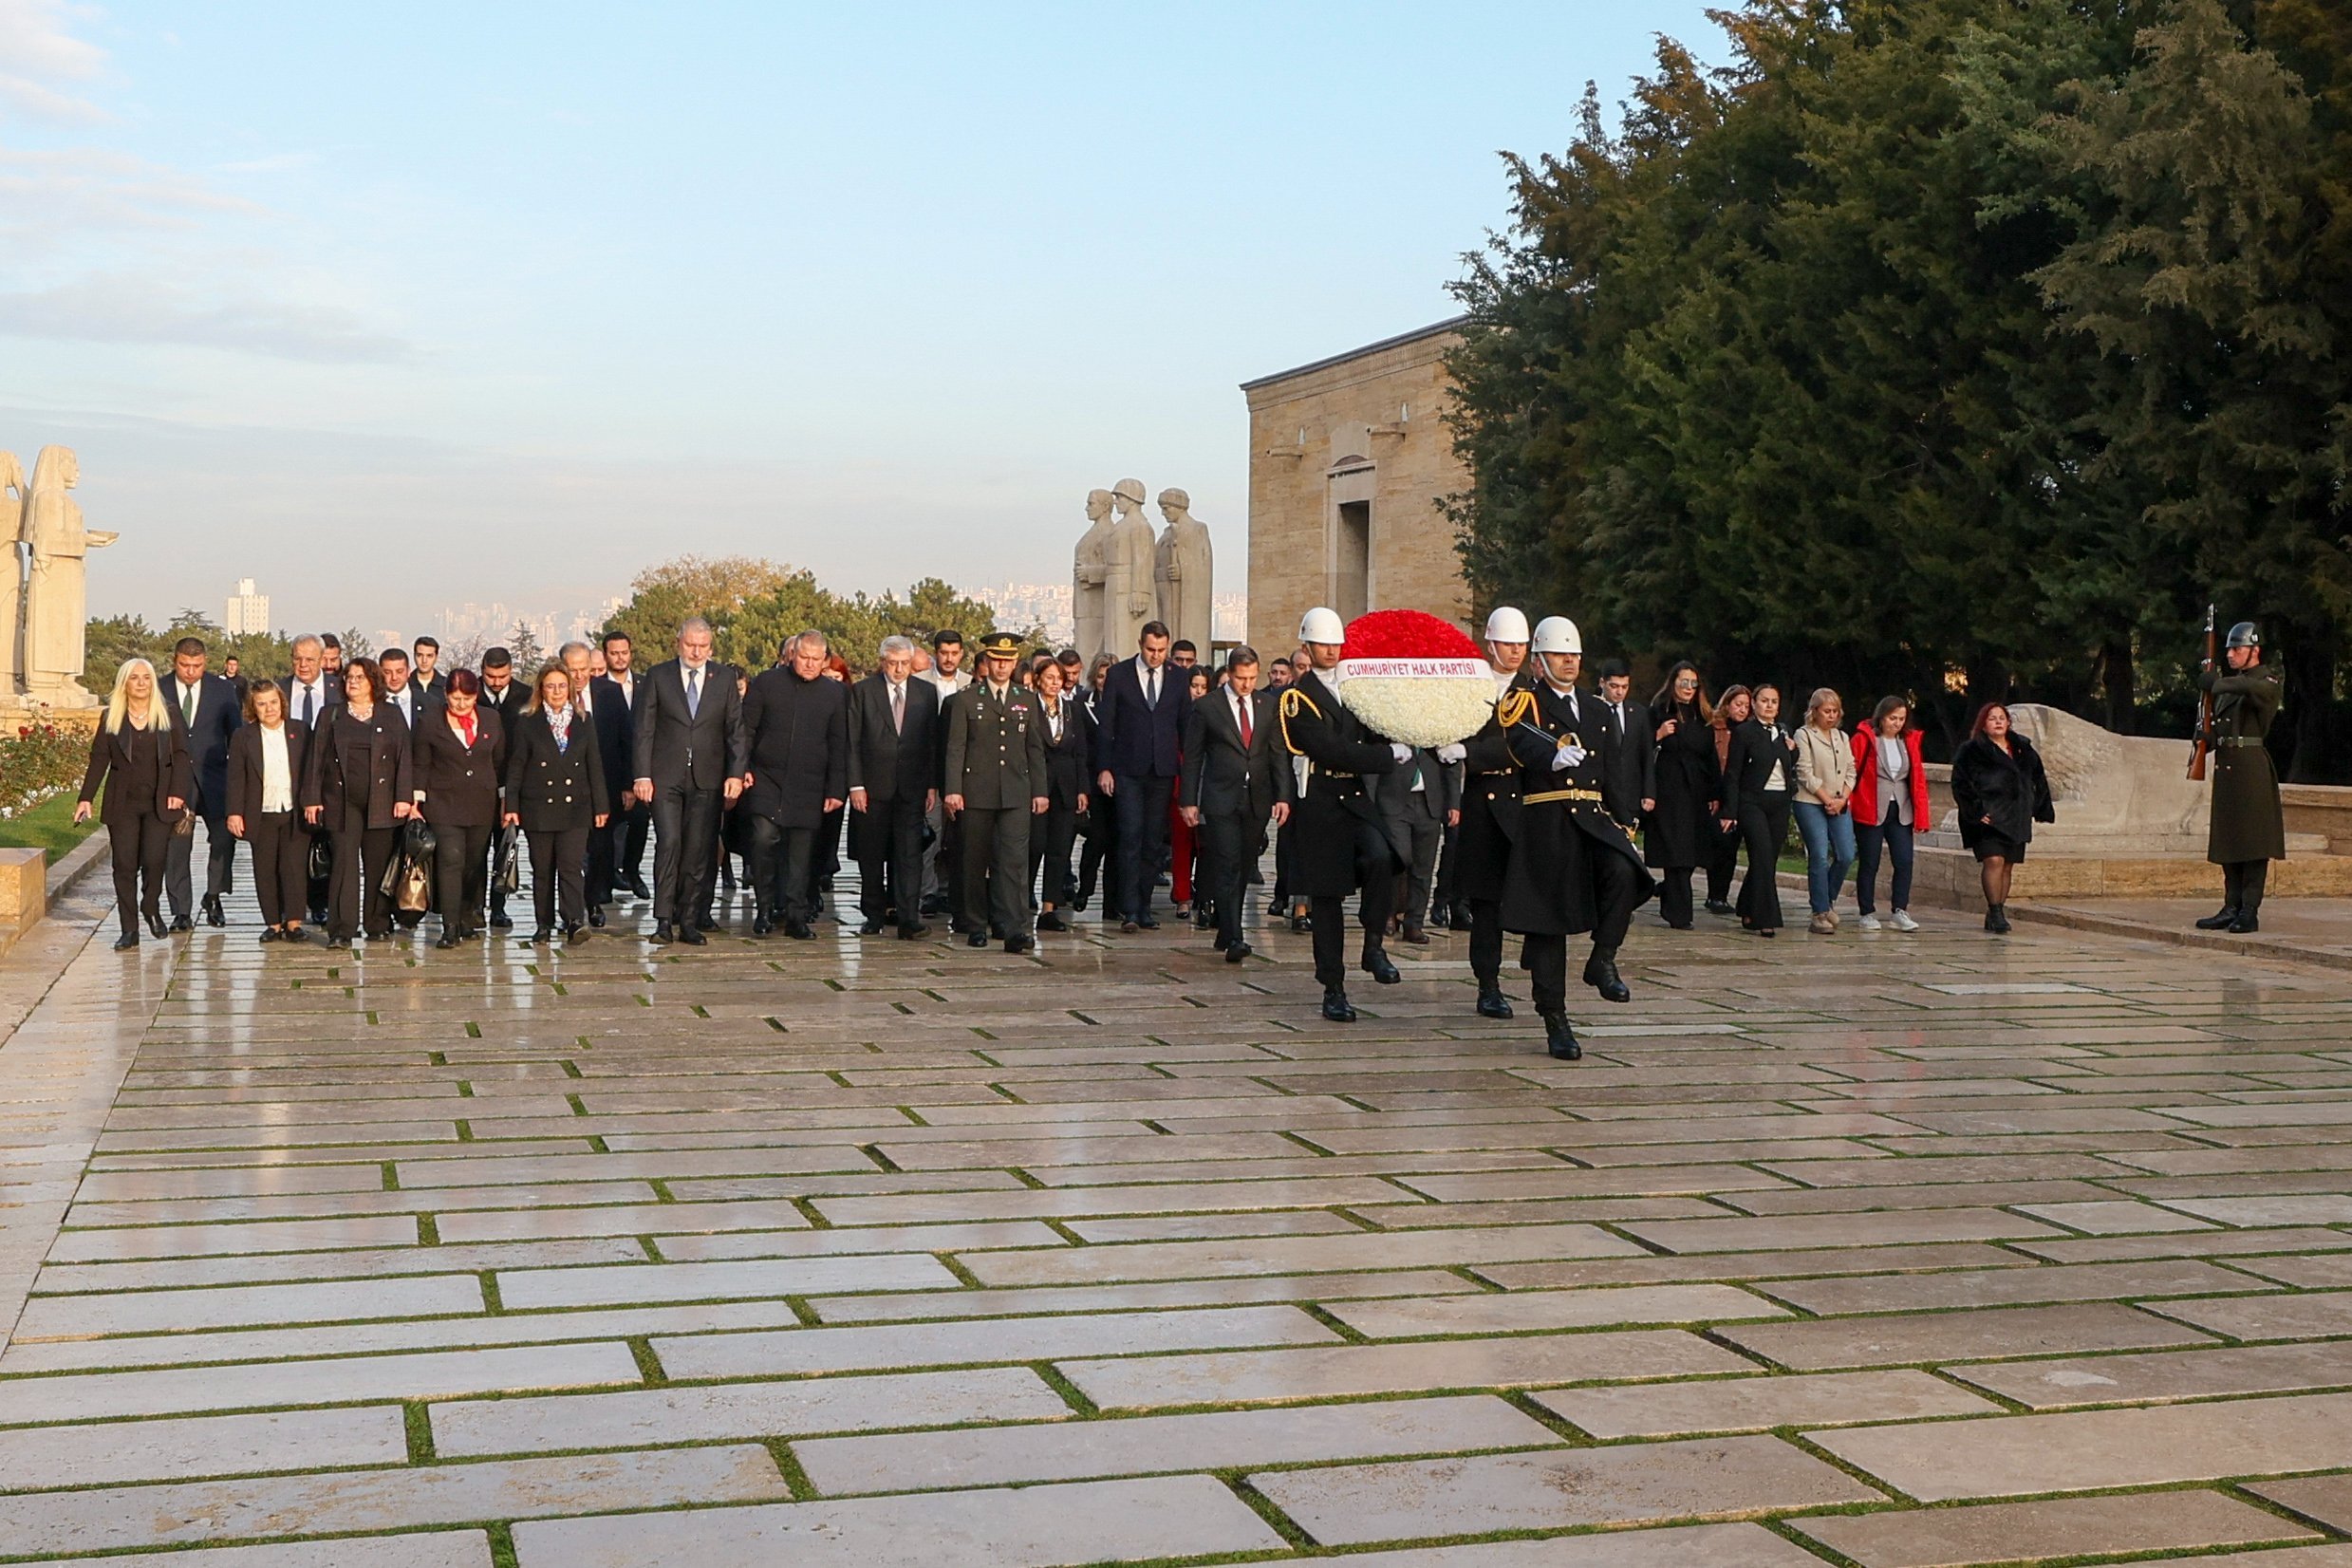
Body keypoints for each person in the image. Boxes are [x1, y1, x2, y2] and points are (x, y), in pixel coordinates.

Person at [1499, 616, 1653, 1059]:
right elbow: (1518, 742)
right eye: (1559, 655)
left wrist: (1627, 824)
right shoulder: (1524, 701)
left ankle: (1603, 958)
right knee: (1549, 924)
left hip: (1594, 816)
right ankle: (1555, 1018)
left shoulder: (1599, 708)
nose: (1569, 662)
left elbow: (1614, 773)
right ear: (1539, 661)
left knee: (1626, 872)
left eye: (1574, 656)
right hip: (1548, 819)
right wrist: (1551, 754)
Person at [1279, 607, 1409, 1022]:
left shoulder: (1354, 690)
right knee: (1328, 897)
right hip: (1320, 798)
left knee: (1382, 858)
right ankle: (1332, 986)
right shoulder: (1297, 698)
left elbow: (1375, 726)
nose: (1332, 651)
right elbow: (1331, 750)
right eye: (1323, 644)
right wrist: (1386, 756)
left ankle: (1373, 946)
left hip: (1353, 796)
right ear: (1307, 647)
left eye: (1336, 644)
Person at [631, 618, 746, 945]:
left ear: (711, 647)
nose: (696, 651)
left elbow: (735, 731)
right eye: (690, 645)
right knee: (669, 844)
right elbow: (644, 729)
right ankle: (664, 920)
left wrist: (735, 774)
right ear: (678, 643)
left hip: (707, 778)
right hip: (665, 777)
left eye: (703, 646)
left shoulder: (723, 678)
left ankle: (690, 919)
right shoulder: (658, 676)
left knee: (699, 850)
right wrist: (642, 774)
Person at [1445, 607, 1534, 1014]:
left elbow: (1523, 745)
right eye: (1508, 644)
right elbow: (1441, 726)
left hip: (1522, 805)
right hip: (1482, 806)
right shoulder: (1469, 686)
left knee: (1533, 894)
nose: (1515, 652)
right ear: (1491, 645)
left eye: (1521, 645)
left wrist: (1470, 752)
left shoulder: (1534, 692)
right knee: (1485, 905)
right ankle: (1488, 983)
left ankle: (1538, 969)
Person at [943, 631, 1050, 953]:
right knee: (974, 861)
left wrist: (1040, 791)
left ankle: (1016, 927)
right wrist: (953, 789)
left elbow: (1035, 748)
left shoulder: (1026, 698)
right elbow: (956, 748)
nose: (1002, 667)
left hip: (1016, 792)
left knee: (1015, 863)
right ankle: (976, 924)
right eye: (997, 661)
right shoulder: (967, 698)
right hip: (977, 792)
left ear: (1015, 662)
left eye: (1008, 661)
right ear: (987, 662)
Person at [1181, 645, 1289, 962]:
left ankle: (1226, 929)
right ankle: (1235, 937)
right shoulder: (1208, 707)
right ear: (1229, 674)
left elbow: (1277, 753)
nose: (1247, 684)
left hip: (1256, 797)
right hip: (1220, 797)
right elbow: (1193, 757)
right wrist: (1189, 800)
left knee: (1243, 865)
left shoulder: (1267, 705)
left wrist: (1283, 795)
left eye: (1253, 678)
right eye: (1242, 678)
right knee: (1226, 863)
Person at [74, 658, 192, 950]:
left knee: (154, 861)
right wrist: (85, 797)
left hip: (159, 801)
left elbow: (181, 757)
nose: (141, 683)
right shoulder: (111, 717)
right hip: (122, 802)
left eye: (146, 677)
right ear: (124, 683)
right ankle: (129, 930)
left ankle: (150, 906)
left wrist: (178, 791)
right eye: (134, 678)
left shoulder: (168, 714)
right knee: (124, 866)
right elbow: (99, 758)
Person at [740, 630, 849, 939]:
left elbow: (840, 744)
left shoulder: (835, 694)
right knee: (763, 840)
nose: (809, 665)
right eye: (804, 658)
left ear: (825, 660)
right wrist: (742, 768)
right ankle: (763, 909)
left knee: (801, 854)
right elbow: (746, 729)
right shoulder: (766, 683)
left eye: (816, 660)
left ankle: (796, 916)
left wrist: (836, 789)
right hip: (766, 778)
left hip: (809, 784)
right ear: (792, 655)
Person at [299, 657, 413, 948]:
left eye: (359, 678)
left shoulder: (390, 714)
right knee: (344, 865)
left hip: (382, 801)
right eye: (349, 677)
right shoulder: (331, 715)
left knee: (378, 865)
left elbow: (404, 757)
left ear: (373, 681)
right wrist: (312, 799)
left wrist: (404, 797)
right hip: (340, 801)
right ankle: (341, 930)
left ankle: (378, 923)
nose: (352, 682)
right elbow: (316, 759)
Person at [505, 663, 610, 945]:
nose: (556, 692)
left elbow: (595, 765)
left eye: (562, 686)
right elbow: (516, 767)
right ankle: (543, 923)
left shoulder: (583, 720)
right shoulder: (528, 721)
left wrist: (601, 806)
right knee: (542, 868)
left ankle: (574, 920)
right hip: (538, 806)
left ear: (570, 688)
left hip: (576, 806)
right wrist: (511, 805)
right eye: (550, 686)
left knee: (571, 865)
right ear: (541, 689)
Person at [1093, 620, 1188, 930]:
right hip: (1127, 769)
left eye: (1161, 650)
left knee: (1152, 840)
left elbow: (1184, 726)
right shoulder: (1119, 675)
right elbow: (1106, 726)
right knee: (1130, 835)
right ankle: (1129, 908)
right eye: (1151, 649)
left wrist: (1188, 771)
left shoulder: (1178, 678)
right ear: (1140, 644)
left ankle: (1145, 907)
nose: (1156, 655)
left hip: (1162, 771)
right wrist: (1104, 768)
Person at [847, 635, 940, 940]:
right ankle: (873, 915)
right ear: (882, 662)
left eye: (904, 664)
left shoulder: (926, 693)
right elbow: (853, 742)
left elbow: (931, 744)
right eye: (892, 663)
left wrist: (931, 785)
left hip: (911, 788)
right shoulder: (863, 691)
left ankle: (908, 918)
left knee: (909, 855)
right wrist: (856, 785)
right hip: (872, 788)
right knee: (872, 855)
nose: (898, 669)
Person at [2196, 621, 2286, 934]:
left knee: (2253, 842)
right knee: (2229, 840)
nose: (2231, 654)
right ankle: (2231, 905)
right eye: (2229, 650)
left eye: (2237, 649)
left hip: (2251, 768)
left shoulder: (2266, 679)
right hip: (2228, 767)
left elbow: (2255, 690)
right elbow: (2222, 723)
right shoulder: (2231, 684)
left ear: (2254, 651)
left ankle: (2249, 909)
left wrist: (2217, 682)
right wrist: (2207, 737)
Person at [412, 669, 506, 949]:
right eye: (455, 698)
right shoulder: (430, 722)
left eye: (466, 698)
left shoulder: (491, 719)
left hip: (481, 805)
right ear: (446, 696)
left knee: (474, 864)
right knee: (451, 860)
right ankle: (449, 926)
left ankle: (468, 918)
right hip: (444, 804)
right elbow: (421, 764)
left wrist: (506, 802)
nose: (461, 704)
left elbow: (499, 763)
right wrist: (416, 802)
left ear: (475, 696)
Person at [1951, 700, 2055, 933]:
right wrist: (1976, 811)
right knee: (1994, 860)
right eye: (1992, 718)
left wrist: (2039, 808)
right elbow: (1960, 783)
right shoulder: (1971, 750)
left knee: (2007, 865)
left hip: (2016, 816)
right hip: (1988, 818)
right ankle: (1996, 910)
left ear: (2008, 723)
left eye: (2001, 718)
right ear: (1983, 724)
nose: (1997, 722)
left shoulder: (2023, 749)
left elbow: (2038, 779)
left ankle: (1996, 910)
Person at [162, 635, 243, 929]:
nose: (190, 671)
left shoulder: (223, 690)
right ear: (175, 661)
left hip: (216, 778)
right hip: (177, 782)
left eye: (196, 665)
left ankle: (213, 895)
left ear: (205, 662)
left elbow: (236, 734)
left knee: (223, 839)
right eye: (184, 665)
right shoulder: (161, 689)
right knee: (177, 846)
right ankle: (181, 911)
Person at [226, 680, 309, 943]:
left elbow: (312, 772)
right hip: (261, 812)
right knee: (265, 869)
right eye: (261, 704)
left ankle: (294, 922)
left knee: (293, 868)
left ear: (281, 702)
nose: (269, 708)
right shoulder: (243, 736)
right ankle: (273, 923)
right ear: (253, 708)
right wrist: (234, 813)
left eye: (273, 702)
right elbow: (236, 778)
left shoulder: (301, 730)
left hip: (293, 810)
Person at [1645, 661, 1721, 931]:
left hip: (1696, 791)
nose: (1688, 688)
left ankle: (1668, 892)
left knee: (1690, 853)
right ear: (1673, 683)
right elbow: (1640, 748)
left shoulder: (1702, 716)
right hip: (1668, 789)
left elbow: (1711, 756)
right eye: (1683, 682)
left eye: (1692, 683)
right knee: (1676, 852)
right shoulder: (1658, 711)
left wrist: (1715, 792)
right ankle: (1679, 914)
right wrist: (1659, 734)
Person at [1719, 683, 1799, 938]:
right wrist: (1729, 811)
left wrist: (1791, 751)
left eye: (1774, 701)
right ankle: (1767, 918)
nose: (1769, 706)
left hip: (1779, 802)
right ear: (1754, 703)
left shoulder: (1783, 731)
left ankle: (1747, 906)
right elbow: (1732, 774)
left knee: (1768, 859)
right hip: (1751, 802)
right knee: (1762, 853)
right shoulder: (1744, 732)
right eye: (1764, 700)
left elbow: (1786, 765)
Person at [568, 642, 633, 924]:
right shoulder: (553, 694)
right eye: (573, 670)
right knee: (570, 851)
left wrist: (629, 784)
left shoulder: (609, 692)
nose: (580, 676)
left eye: (584, 669)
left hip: (604, 784)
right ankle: (569, 908)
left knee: (601, 847)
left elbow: (626, 739)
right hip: (567, 786)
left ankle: (595, 901)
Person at [1851, 695, 1928, 933]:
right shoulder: (1865, 739)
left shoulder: (1909, 741)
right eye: (1892, 718)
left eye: (1901, 719)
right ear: (1881, 717)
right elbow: (1852, 771)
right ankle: (1867, 911)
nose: (1897, 723)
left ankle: (1899, 910)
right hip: (1871, 806)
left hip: (1901, 808)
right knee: (1870, 862)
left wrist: (1922, 814)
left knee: (1904, 861)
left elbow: (1917, 778)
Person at [1375, 737, 1458, 945]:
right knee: (1397, 857)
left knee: (1423, 866)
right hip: (1393, 798)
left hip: (1430, 800)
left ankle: (1414, 923)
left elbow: (1452, 763)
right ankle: (1388, 913)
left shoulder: (1438, 720)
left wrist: (1453, 802)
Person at [1790, 688, 1858, 935]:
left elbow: (1851, 769)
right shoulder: (1804, 735)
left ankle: (1826, 899)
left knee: (1846, 854)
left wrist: (1842, 798)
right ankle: (1819, 912)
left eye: (1835, 712)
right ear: (1815, 711)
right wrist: (1827, 798)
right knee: (1818, 854)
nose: (1831, 716)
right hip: (1810, 801)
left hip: (1839, 801)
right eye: (1826, 711)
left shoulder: (1842, 737)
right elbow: (1804, 772)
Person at [1032, 657, 1092, 931]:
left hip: (1066, 788)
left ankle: (1049, 908)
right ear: (1038, 680)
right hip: (1037, 787)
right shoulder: (1028, 708)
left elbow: (1080, 752)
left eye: (1059, 679)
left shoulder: (1071, 709)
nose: (1055, 683)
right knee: (1033, 847)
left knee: (1059, 849)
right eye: (1049, 678)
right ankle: (1023, 900)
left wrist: (1082, 788)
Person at [284, 634, 340, 924]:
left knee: (323, 843)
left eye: (310, 660)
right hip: (286, 779)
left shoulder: (339, 691)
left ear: (323, 661)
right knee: (290, 845)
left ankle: (321, 903)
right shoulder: (279, 690)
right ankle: (290, 905)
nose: (303, 665)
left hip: (328, 780)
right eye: (297, 658)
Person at [478, 647, 532, 930]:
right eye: (490, 676)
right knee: (474, 852)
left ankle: (498, 907)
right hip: (475, 784)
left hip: (512, 784)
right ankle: (474, 906)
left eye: (503, 676)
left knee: (504, 848)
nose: (496, 682)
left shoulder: (526, 696)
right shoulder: (469, 694)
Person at [600, 629, 651, 899]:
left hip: (641, 770)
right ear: (605, 654)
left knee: (640, 821)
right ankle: (606, 876)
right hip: (609, 771)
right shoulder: (597, 688)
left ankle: (632, 870)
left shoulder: (646, 684)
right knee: (607, 828)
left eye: (624, 652)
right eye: (614, 653)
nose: (620, 658)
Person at [1592, 659, 1657, 836]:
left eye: (1624, 686)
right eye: (1614, 686)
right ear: (1602, 683)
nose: (1619, 692)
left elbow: (1646, 755)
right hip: (1599, 793)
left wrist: (1648, 792)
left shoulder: (1638, 713)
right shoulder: (1591, 711)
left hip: (1630, 792)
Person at [1075, 653, 1118, 912]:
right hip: (1092, 780)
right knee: (1097, 839)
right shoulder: (1082, 704)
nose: (1105, 681)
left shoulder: (1125, 705)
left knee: (1118, 841)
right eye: (1101, 676)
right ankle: (1085, 887)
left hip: (1121, 781)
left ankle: (1112, 901)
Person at [1170, 664, 1213, 924]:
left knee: (1206, 845)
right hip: (1181, 780)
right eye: (1193, 686)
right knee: (1182, 843)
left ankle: (1205, 896)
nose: (1197, 691)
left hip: (1208, 783)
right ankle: (1183, 896)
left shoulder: (1212, 712)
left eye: (1202, 687)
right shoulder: (1178, 713)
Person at [410, 637, 444, 706]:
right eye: (419, 655)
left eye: (429, 656)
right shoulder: (405, 685)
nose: (424, 660)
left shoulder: (447, 686)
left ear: (436, 657)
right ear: (414, 656)